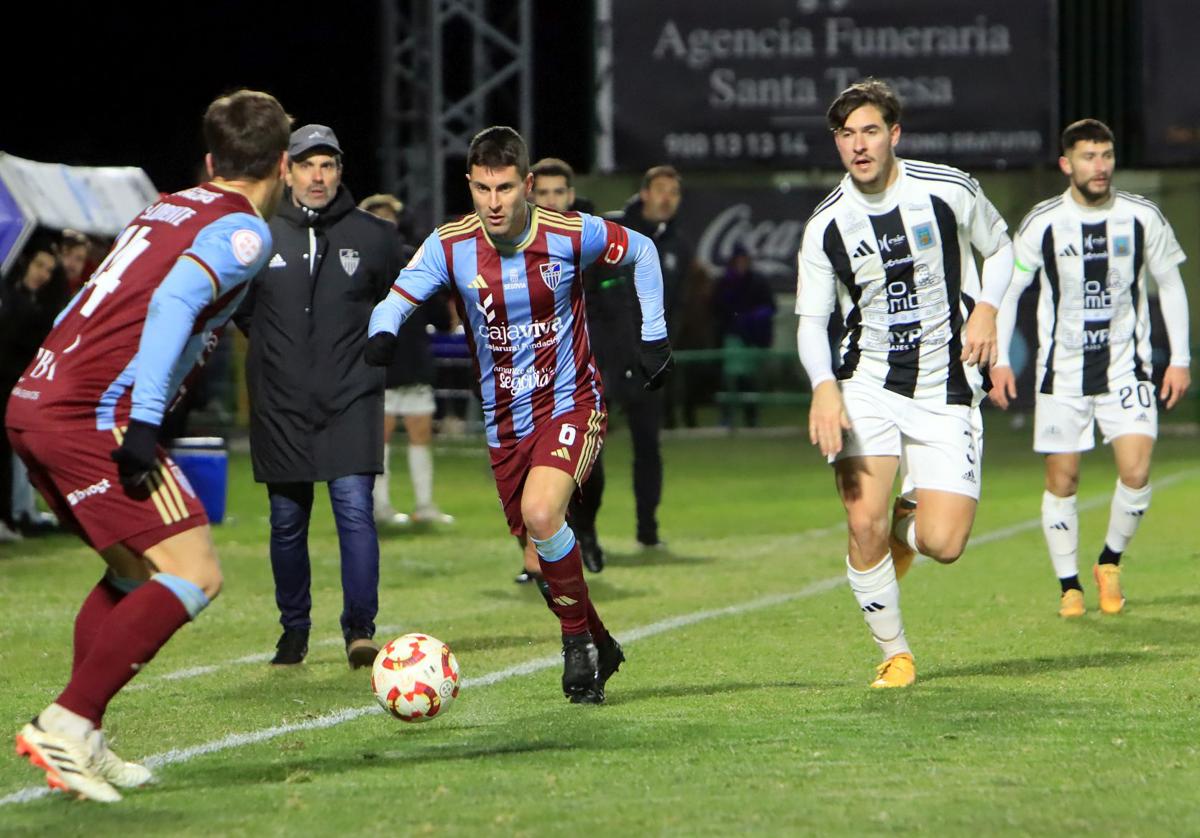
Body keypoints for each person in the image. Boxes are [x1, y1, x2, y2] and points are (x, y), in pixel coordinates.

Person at [5, 89, 289, 802]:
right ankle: (67, 724)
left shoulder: (168, 204)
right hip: (93, 415)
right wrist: (147, 422)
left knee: (133, 571)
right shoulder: (244, 230)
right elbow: (170, 303)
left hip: (38, 400)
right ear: (282, 165)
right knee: (195, 572)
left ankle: (84, 736)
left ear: (209, 159)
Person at [366, 126, 673, 703]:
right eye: (482, 188)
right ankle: (599, 643)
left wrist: (652, 334)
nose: (494, 202)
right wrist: (381, 333)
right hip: (505, 423)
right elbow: (400, 296)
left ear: (527, 185)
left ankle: (576, 647)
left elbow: (643, 250)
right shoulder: (450, 245)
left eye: (506, 187)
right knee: (539, 557)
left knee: (541, 511)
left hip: (571, 403)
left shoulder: (567, 232)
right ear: (470, 185)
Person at [796, 78, 1014, 689]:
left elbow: (1002, 251)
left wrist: (988, 309)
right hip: (866, 382)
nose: (859, 145)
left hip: (946, 386)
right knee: (862, 520)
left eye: (870, 131)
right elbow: (812, 322)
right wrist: (822, 385)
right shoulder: (826, 226)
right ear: (836, 144)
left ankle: (905, 520)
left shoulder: (947, 189)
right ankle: (895, 653)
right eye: (846, 134)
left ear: (894, 135)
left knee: (943, 543)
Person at [989, 118, 1191, 618]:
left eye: (1106, 156)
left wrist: (1180, 359)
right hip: (1062, 372)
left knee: (1138, 471)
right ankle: (1069, 586)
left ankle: (1109, 562)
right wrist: (998, 359)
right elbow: (1012, 288)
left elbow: (1170, 284)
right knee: (1064, 481)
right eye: (1088, 157)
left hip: (1128, 367)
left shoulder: (1142, 216)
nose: (1100, 167)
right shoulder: (1042, 222)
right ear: (1066, 164)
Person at [233, 125, 401, 669]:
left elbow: (396, 302)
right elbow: (240, 307)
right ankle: (293, 630)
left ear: (340, 171)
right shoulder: (255, 234)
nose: (317, 176)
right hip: (280, 403)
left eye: (327, 165)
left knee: (355, 512)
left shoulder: (374, 236)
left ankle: (360, 631)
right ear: (287, 170)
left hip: (351, 397)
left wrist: (367, 356)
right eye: (307, 165)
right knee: (286, 520)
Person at [577, 165, 691, 552]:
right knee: (590, 449)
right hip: (603, 360)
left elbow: (677, 306)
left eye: (673, 193)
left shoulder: (677, 245)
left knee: (648, 447)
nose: (666, 198)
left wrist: (659, 349)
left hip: (645, 364)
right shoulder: (612, 232)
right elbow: (588, 295)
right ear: (644, 193)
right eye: (660, 190)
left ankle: (648, 531)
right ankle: (585, 531)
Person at [527, 157, 606, 574]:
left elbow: (610, 303)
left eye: (559, 192)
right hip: (529, 375)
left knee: (588, 465)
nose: (552, 200)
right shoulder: (513, 239)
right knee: (526, 463)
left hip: (582, 372)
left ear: (571, 195)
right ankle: (536, 555)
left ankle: (586, 532)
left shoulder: (591, 239)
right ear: (530, 194)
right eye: (544, 193)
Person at [359, 193, 455, 527]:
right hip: (379, 363)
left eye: (389, 218)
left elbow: (442, 315)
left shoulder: (412, 260)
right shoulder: (357, 263)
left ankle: (424, 505)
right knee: (379, 436)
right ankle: (380, 507)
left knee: (419, 433)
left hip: (410, 360)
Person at [0, 238, 68, 542]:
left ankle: (15, 514)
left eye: (49, 270)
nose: (43, 274)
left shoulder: (29, 303)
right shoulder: (13, 300)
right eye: (40, 265)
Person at [713, 244, 776, 428]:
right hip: (733, 337)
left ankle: (751, 418)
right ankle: (726, 418)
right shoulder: (725, 282)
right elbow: (717, 310)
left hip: (752, 338)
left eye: (744, 260)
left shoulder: (757, 281)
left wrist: (753, 319)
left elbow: (770, 307)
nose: (741, 264)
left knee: (749, 380)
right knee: (729, 379)